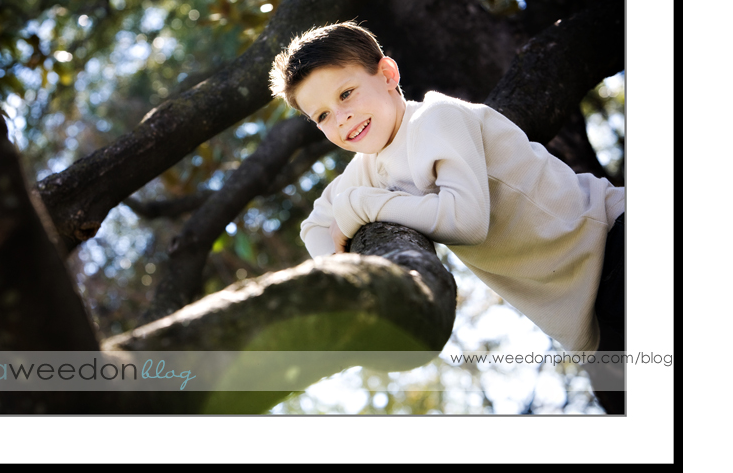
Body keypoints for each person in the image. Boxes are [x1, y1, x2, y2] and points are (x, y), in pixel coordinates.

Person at [268, 21, 625, 357]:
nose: (340, 117)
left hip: (609, 242)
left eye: (346, 94)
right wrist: (347, 280)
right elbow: (316, 227)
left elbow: (466, 221)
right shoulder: (366, 169)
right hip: (584, 310)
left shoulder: (436, 117)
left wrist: (361, 207)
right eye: (322, 116)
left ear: (388, 75)